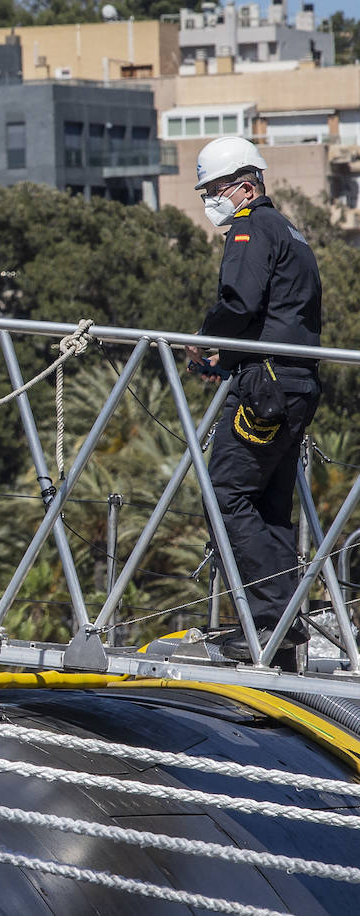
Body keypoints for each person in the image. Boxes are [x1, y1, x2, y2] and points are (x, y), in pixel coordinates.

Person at [187, 136, 322, 663]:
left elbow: (238, 301)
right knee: (269, 506)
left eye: (215, 190)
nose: (209, 202)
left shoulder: (250, 226)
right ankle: (281, 633)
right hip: (292, 383)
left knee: (225, 496)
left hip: (265, 390)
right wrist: (232, 356)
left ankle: (273, 624)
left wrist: (207, 343)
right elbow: (281, 314)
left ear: (245, 186)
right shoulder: (292, 232)